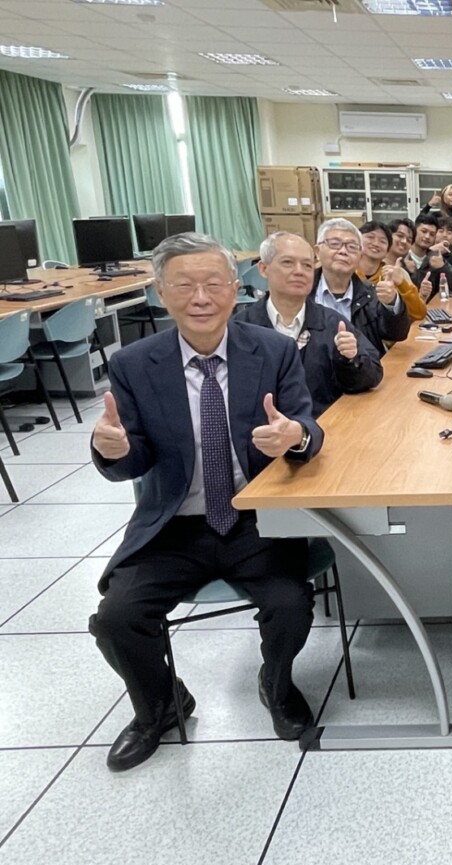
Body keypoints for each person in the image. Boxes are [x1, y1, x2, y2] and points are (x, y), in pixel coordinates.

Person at [88, 232, 324, 772]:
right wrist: (113, 450)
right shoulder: (134, 364)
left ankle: (277, 684)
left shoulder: (273, 351)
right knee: (117, 618)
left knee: (290, 605)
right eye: (184, 286)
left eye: (214, 284)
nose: (201, 298)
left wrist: (294, 437)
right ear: (161, 292)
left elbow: (306, 426)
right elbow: (132, 457)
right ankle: (159, 705)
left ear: (235, 289)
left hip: (255, 519)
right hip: (175, 525)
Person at [242, 231, 382, 417]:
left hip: (321, 427)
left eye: (307, 265)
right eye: (288, 263)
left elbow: (372, 376)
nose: (299, 271)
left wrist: (350, 359)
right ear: (264, 268)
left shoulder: (332, 323)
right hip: (261, 430)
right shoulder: (241, 327)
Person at [308, 218, 412, 356]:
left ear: (360, 256)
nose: (343, 251)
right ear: (317, 251)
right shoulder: (302, 291)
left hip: (360, 366)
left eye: (351, 247)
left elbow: (397, 334)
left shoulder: (369, 293)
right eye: (334, 244)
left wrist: (391, 302)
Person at [403, 212, 452, 307]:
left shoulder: (434, 257)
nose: (427, 237)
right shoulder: (404, 258)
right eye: (424, 231)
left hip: (431, 309)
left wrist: (443, 267)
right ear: (414, 232)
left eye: (432, 234)